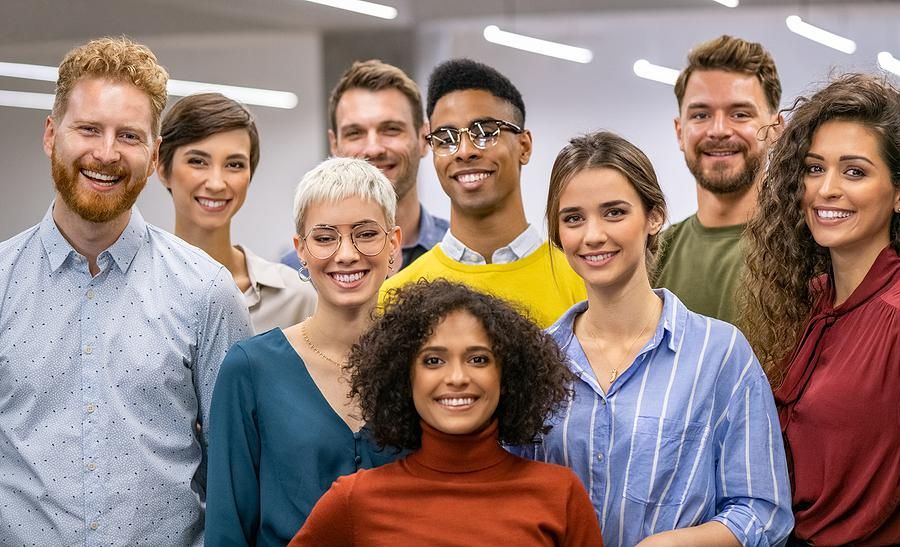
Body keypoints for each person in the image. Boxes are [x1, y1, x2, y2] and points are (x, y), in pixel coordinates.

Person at [0, 38, 252, 545]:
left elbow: (237, 472)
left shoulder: (206, 292)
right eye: (89, 129)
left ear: (153, 153)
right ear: (52, 135)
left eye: (129, 136)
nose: (107, 153)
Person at [513, 131, 792, 547]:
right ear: (557, 232)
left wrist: (672, 544)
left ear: (654, 216)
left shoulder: (720, 355)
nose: (592, 235)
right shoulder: (533, 362)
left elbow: (763, 512)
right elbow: (512, 497)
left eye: (614, 212)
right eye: (573, 218)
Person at [290, 280, 604, 546]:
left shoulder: (559, 494)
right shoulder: (355, 500)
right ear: (404, 376)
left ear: (507, 375)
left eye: (478, 360)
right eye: (433, 361)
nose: (456, 378)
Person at [205, 157, 403, 546]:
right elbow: (228, 528)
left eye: (365, 233)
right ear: (301, 250)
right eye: (325, 237)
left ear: (393, 243)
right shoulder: (251, 369)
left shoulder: (423, 366)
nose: (346, 254)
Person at [741, 74, 900, 546]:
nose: (826, 189)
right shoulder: (810, 302)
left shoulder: (893, 317)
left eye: (854, 171)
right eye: (814, 169)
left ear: (898, 193)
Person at [381, 58, 586, 328]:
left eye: (486, 133)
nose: (465, 151)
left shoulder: (582, 281)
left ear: (524, 146)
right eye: (446, 138)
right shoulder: (397, 297)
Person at [158, 92, 316, 333]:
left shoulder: (296, 298)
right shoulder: (133, 293)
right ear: (161, 168)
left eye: (234, 165)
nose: (217, 183)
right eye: (198, 162)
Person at [653, 35, 782, 323]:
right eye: (701, 115)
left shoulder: (807, 249)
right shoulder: (654, 256)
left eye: (739, 113)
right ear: (679, 131)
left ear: (775, 129)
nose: (719, 130)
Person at [282, 59, 447, 270]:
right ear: (335, 145)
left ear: (424, 138)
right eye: (355, 133)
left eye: (391, 129)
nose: (373, 149)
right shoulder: (295, 272)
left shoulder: (462, 258)